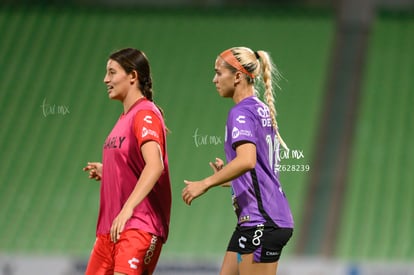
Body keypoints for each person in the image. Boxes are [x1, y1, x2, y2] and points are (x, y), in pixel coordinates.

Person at [182, 46, 294, 275]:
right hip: (255, 220)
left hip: (261, 222)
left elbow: (247, 161)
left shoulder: (240, 113)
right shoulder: (261, 109)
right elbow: (259, 169)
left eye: (218, 72)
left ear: (237, 76)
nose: (214, 79)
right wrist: (232, 178)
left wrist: (205, 183)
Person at [83, 48, 172, 275]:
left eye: (112, 72)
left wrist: (127, 209)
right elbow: (134, 165)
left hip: (137, 227)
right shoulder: (125, 117)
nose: (106, 79)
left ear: (133, 76)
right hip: (109, 230)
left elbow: (155, 165)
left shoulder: (145, 114)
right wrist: (109, 171)